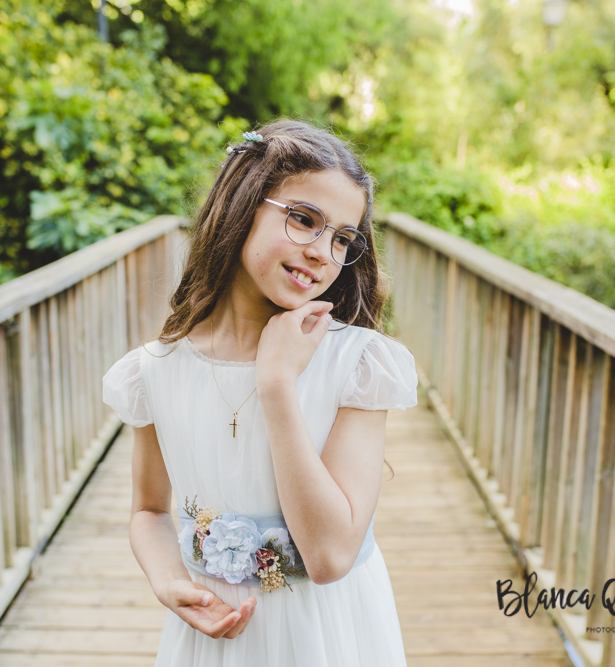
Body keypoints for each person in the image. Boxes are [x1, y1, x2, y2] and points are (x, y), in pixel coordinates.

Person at [102, 119, 418, 666]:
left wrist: (275, 384)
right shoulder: (154, 371)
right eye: (303, 220)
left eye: (343, 237)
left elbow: (329, 555)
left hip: (328, 632)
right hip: (215, 638)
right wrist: (166, 579)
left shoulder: (356, 363)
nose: (323, 251)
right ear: (241, 206)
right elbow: (149, 510)